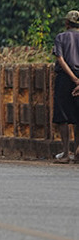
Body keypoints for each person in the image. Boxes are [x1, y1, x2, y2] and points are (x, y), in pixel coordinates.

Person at [52, 10, 79, 163]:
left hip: (65, 77)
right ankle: (77, 152)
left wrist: (73, 79)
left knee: (63, 116)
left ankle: (65, 153)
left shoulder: (61, 37)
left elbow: (60, 59)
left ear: (67, 23)